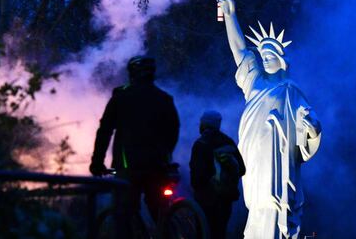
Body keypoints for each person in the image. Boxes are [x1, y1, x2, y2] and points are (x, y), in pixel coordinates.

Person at [218, 0, 322, 239]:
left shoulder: (291, 90)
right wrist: (230, 15)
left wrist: (312, 128)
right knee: (258, 204)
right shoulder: (254, 81)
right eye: (262, 56)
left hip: (279, 159)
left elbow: (309, 125)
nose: (264, 59)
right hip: (255, 155)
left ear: (281, 60)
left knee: (277, 204)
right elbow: (240, 50)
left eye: (270, 56)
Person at [89, 55, 180, 237]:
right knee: (158, 210)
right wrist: (166, 154)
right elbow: (173, 130)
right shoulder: (164, 99)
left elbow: (105, 131)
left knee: (123, 214)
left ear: (132, 73)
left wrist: (97, 162)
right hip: (158, 166)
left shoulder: (121, 97)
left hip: (128, 167)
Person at [189, 110, 246, 239]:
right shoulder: (228, 142)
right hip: (226, 197)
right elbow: (242, 169)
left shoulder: (201, 144)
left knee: (203, 232)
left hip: (205, 198)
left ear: (204, 124)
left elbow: (197, 177)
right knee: (219, 232)